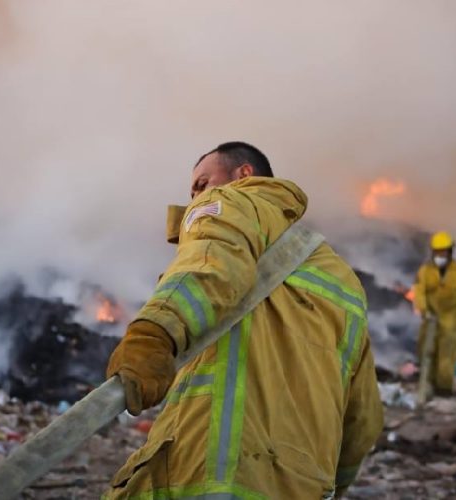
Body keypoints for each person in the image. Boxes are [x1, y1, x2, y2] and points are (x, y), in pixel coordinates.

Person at [105, 142, 383, 499]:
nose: (196, 195)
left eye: (203, 182)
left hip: (211, 477)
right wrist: (330, 482)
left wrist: (152, 335)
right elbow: (363, 423)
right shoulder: (345, 280)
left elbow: (209, 266)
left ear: (244, 175)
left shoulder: (232, 202)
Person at [413, 231, 456, 396]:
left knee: (447, 356)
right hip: (430, 317)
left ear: (450, 252)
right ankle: (428, 383)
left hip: (451, 317)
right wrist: (423, 309)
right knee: (426, 351)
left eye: (443, 251)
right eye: (437, 252)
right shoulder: (425, 270)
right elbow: (419, 291)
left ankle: (444, 388)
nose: (440, 255)